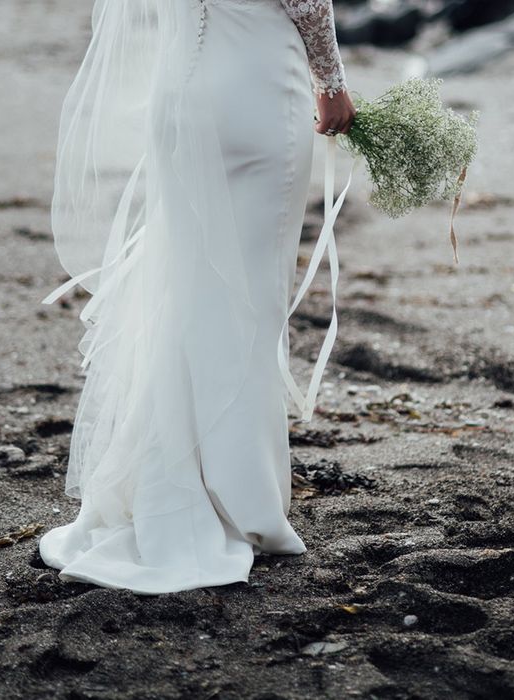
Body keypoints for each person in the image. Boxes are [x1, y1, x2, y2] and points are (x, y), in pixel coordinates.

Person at [38, 0, 355, 593]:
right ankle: (242, 501)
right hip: (256, 95)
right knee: (247, 307)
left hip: (183, 94)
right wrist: (332, 83)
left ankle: (171, 484)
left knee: (187, 298)